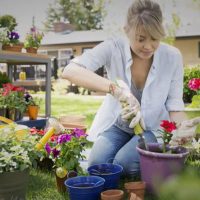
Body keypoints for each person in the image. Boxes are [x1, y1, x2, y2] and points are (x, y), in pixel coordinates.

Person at [61, 0, 200, 178]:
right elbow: (70, 70)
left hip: (152, 127)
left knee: (125, 165)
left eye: (155, 39)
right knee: (97, 165)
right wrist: (118, 91)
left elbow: (174, 106)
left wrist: (183, 126)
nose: (148, 46)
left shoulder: (172, 57)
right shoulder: (113, 48)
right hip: (119, 125)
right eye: (141, 39)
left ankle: (146, 161)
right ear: (127, 31)